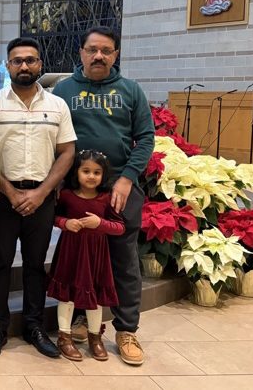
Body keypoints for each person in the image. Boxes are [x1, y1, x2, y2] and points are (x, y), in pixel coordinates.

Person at [53, 26, 154, 366]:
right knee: (81, 257)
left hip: (119, 189)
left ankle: (126, 330)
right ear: (81, 53)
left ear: (116, 55)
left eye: (106, 51)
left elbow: (146, 138)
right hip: (78, 192)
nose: (99, 56)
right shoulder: (63, 90)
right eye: (92, 49)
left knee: (124, 261)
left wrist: (127, 178)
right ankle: (83, 319)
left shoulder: (131, 90)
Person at [0, 37, 76, 359]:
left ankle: (34, 326)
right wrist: (9, 191)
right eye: (17, 60)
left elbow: (67, 152)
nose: (24, 66)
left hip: (42, 196)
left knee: (35, 264)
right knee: (0, 262)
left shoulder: (57, 105)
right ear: (7, 66)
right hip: (2, 197)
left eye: (30, 60)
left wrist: (41, 192)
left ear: (40, 65)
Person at [48, 150, 125, 361]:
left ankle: (95, 337)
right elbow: (54, 217)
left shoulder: (106, 198)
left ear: (103, 174)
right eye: (86, 171)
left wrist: (100, 223)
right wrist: (65, 223)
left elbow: (119, 227)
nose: (91, 176)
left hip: (95, 255)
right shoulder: (66, 195)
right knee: (67, 294)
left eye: (97, 172)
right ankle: (64, 336)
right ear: (76, 172)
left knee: (95, 295)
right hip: (70, 252)